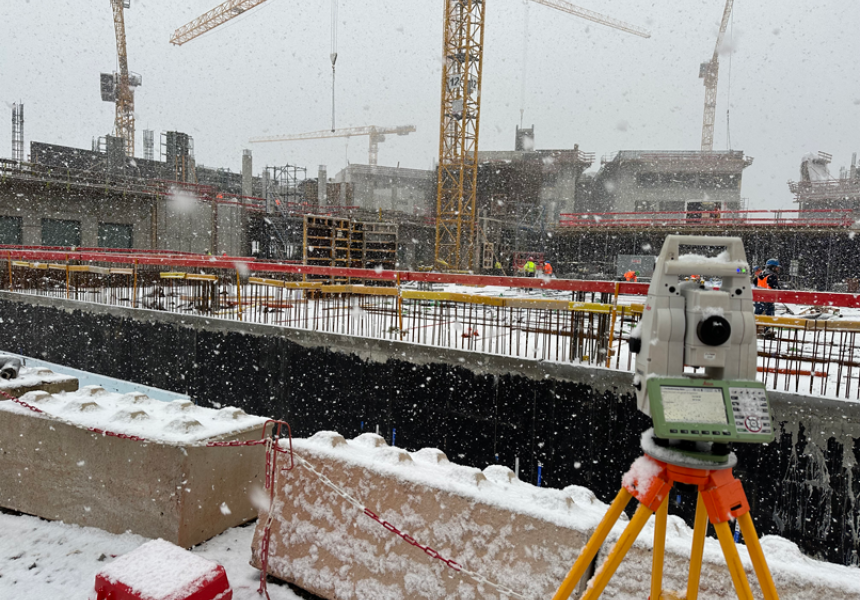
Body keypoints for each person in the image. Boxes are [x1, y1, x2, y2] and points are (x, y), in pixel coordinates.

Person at [755, 258, 781, 337]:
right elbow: (776, 288)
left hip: (759, 299)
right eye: (776, 268)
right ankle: (768, 330)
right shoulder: (772, 276)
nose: (778, 270)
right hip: (768, 299)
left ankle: (753, 329)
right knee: (770, 315)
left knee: (757, 315)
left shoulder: (760, 276)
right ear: (772, 268)